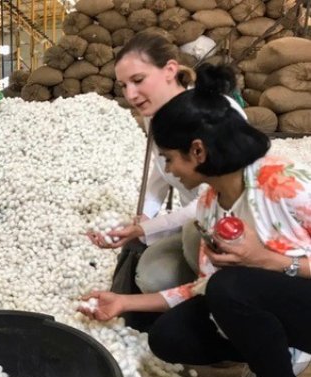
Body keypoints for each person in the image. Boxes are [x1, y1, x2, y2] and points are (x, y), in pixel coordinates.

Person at [80, 64, 311, 377]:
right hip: (280, 304)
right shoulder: (209, 205)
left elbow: (233, 284)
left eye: (170, 159)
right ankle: (278, 351)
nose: (168, 170)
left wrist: (270, 260)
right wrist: (123, 304)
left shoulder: (285, 183)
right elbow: (203, 288)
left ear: (198, 151)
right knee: (170, 336)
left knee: (233, 287)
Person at [88, 33, 244, 300]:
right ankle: (196, 292)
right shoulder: (155, 117)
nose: (130, 94)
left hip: (233, 225)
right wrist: (146, 217)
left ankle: (227, 297)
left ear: (171, 70)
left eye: (138, 81)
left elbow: (215, 202)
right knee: (151, 276)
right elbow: (162, 171)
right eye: (124, 85)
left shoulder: (214, 112)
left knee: (198, 240)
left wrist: (147, 228)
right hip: (192, 222)